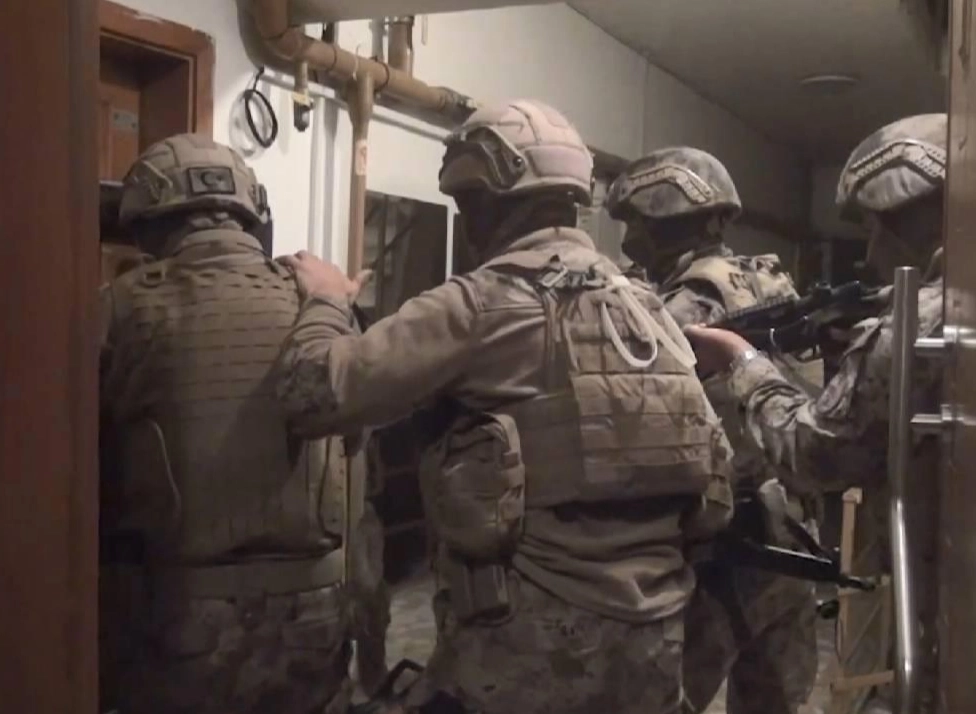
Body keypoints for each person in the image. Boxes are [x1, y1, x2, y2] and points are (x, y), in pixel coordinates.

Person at [273, 98, 733, 714]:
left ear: (482, 206)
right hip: (654, 654)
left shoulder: (478, 304)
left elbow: (312, 396)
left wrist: (327, 300)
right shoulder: (650, 311)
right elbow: (712, 487)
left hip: (529, 659)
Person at [685, 113, 948, 712]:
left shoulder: (916, 323)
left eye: (876, 230)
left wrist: (740, 360)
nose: (871, 252)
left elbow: (816, 453)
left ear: (918, 220)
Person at [98, 134, 355, 714]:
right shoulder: (319, 301)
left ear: (149, 216)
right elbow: (357, 454)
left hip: (178, 617)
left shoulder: (120, 306)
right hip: (314, 612)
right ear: (247, 210)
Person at [606, 146, 820, 714]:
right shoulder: (767, 282)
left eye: (637, 225)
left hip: (715, 548)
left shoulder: (684, 303)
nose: (629, 241)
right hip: (787, 529)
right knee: (774, 699)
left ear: (668, 225)